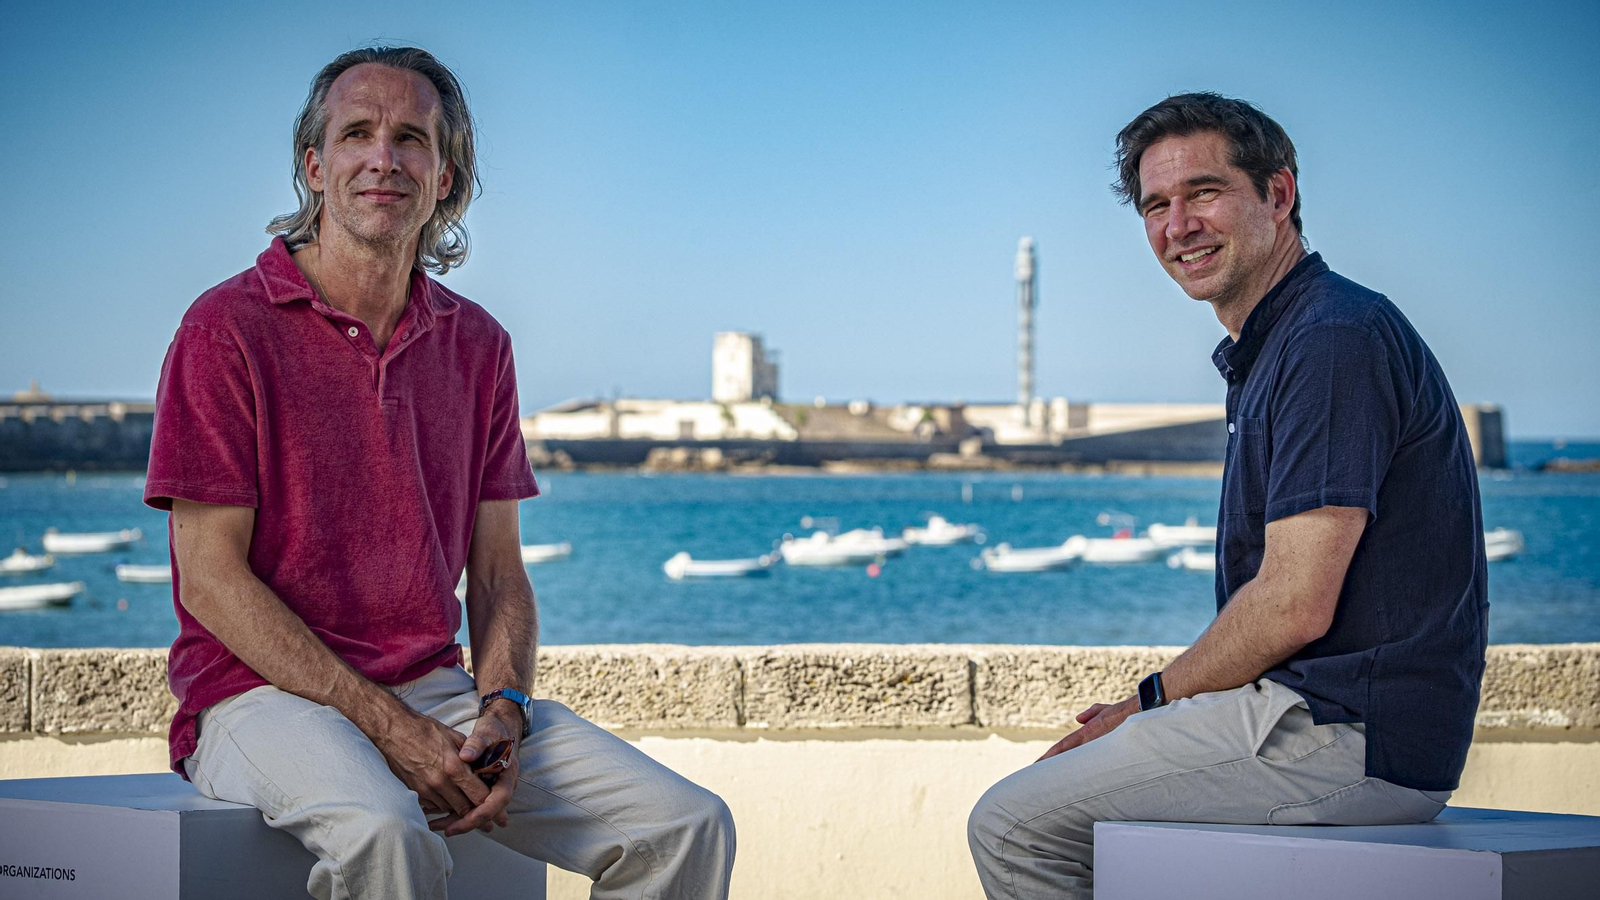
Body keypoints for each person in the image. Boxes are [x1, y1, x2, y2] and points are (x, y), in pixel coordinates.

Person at [145, 46, 734, 900]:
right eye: (356, 134)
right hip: (256, 696)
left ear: (446, 178)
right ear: (316, 167)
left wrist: (504, 706)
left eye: (411, 139)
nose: (383, 158)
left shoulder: (479, 344)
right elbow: (208, 579)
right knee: (386, 835)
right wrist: (386, 726)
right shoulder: (224, 328)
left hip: (436, 691)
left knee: (684, 827)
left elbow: (497, 574)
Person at [967, 92, 1488, 899]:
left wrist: (1145, 704)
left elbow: (1292, 604)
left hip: (1348, 734)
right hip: (1322, 718)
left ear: (1278, 195)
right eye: (1156, 205)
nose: (1179, 226)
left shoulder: (1331, 341)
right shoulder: (1279, 344)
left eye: (1204, 192)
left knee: (1015, 824)